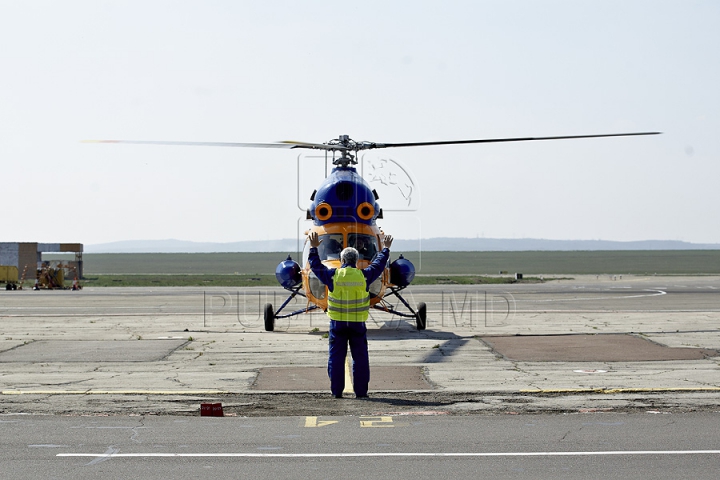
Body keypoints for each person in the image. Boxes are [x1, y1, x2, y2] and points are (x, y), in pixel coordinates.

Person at [307, 231, 393, 398]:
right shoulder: (364, 276)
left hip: (338, 324)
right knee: (360, 359)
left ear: (342, 260)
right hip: (357, 324)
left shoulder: (334, 276)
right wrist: (386, 249)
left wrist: (313, 248)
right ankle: (361, 393)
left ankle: (336, 392)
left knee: (336, 358)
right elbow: (379, 264)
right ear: (355, 260)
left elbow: (316, 266)